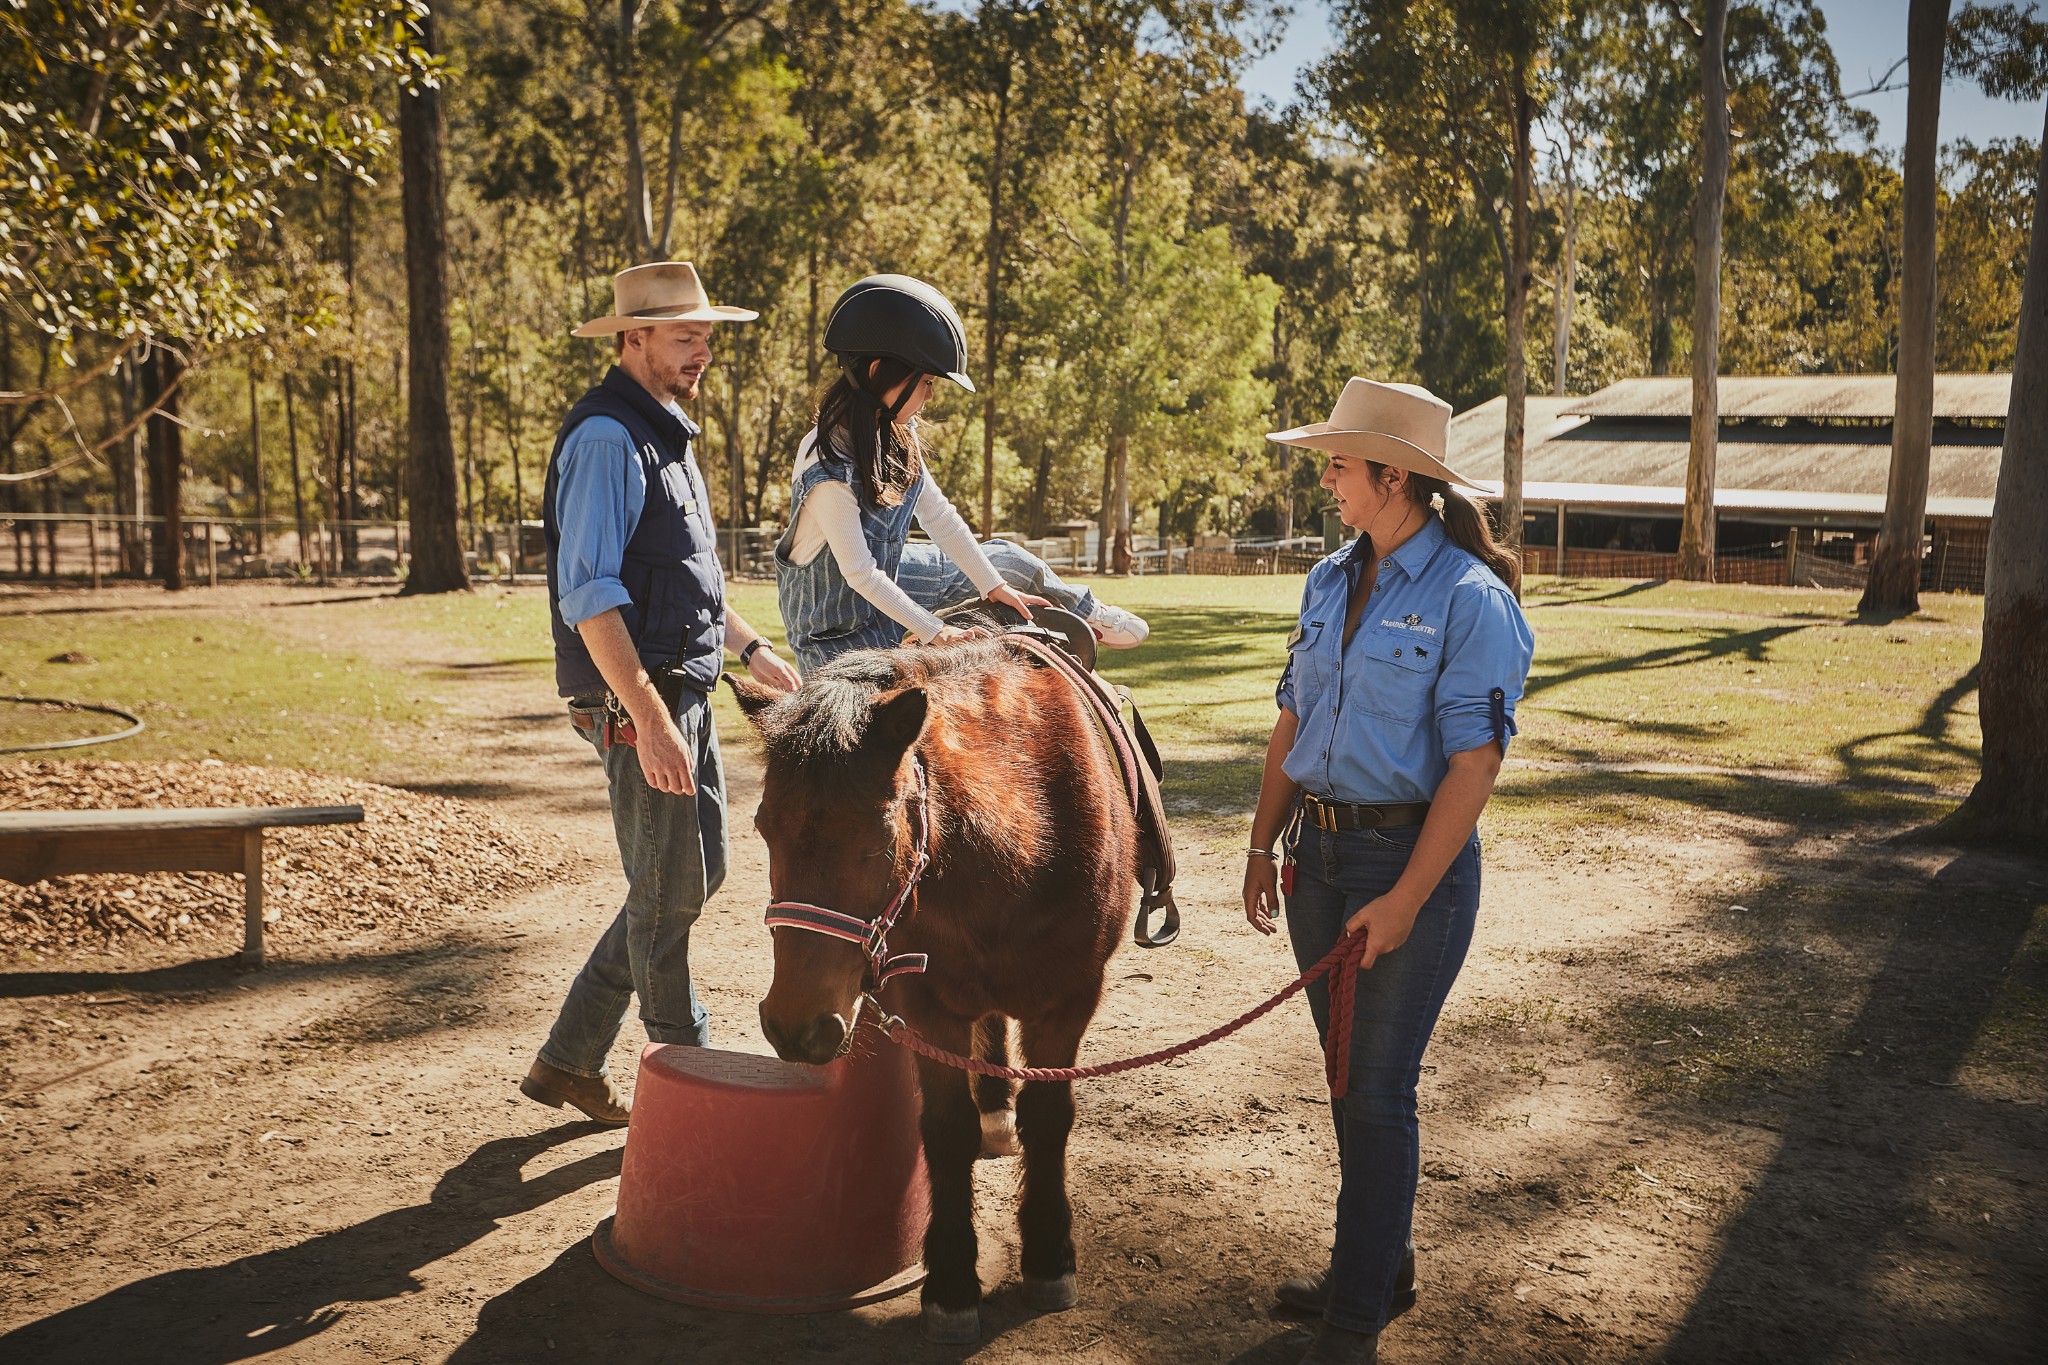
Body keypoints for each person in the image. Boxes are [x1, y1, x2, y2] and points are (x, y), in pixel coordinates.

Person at [1241, 379, 1535, 1365]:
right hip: (1314, 860)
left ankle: (1355, 1309)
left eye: (1337, 463)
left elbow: (1473, 764)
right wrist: (1257, 844)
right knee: (1343, 1082)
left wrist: (1406, 899)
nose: (1324, 479)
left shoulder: (1468, 599)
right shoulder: (1327, 580)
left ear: (1395, 477)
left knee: (1374, 1091)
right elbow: (1291, 715)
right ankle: (1382, 1262)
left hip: (1405, 868)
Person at [522, 261, 802, 1125]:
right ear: (633, 338)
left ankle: (571, 1056)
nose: (703, 352)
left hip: (685, 689)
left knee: (689, 875)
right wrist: (647, 719)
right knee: (666, 888)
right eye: (686, 337)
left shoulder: (665, 433)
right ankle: (690, 1081)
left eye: (707, 336)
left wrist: (751, 647)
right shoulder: (609, 438)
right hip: (637, 702)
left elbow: (690, 581)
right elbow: (591, 592)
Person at [775, 273, 1149, 672]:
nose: (931, 395)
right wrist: (936, 630)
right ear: (877, 372)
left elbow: (937, 515)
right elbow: (860, 574)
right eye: (925, 382)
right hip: (834, 628)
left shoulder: (898, 437)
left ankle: (1087, 612)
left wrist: (995, 586)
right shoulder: (826, 463)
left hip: (885, 579)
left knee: (1008, 561)